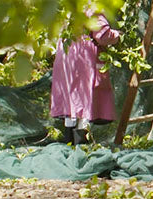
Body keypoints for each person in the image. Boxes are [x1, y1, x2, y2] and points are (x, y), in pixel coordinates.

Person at [50, 12, 121, 145]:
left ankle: (69, 143)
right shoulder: (92, 6)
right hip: (83, 58)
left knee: (71, 103)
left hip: (67, 54)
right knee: (83, 101)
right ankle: (80, 145)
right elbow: (102, 35)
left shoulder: (67, 2)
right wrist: (117, 36)